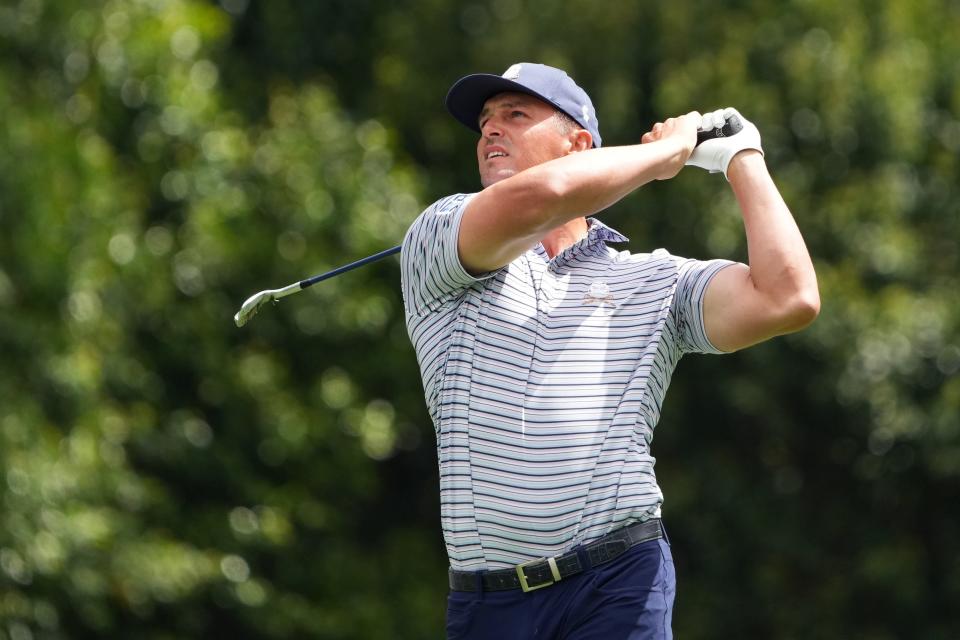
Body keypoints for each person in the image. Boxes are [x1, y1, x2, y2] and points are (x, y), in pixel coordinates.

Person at [399, 62, 819, 640]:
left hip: (618, 581)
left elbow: (788, 297)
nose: (491, 130)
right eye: (485, 122)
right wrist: (663, 155)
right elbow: (543, 196)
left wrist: (741, 158)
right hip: (489, 603)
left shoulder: (653, 280)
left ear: (579, 144)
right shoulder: (440, 238)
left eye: (515, 115)